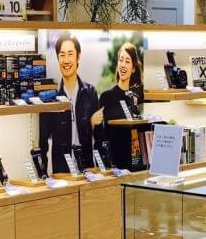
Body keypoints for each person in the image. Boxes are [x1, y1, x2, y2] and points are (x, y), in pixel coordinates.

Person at [38, 33, 101, 173]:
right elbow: (42, 144)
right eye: (62, 55)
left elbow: (99, 138)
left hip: (88, 171)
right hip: (62, 173)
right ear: (58, 59)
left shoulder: (90, 93)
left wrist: (101, 170)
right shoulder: (50, 98)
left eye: (70, 54)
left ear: (78, 57)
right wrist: (43, 176)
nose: (66, 60)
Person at [95, 43, 143, 170]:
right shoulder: (106, 97)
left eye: (127, 61)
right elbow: (98, 136)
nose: (123, 64)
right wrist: (102, 166)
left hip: (136, 163)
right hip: (113, 166)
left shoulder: (138, 97)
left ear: (133, 68)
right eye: (121, 60)